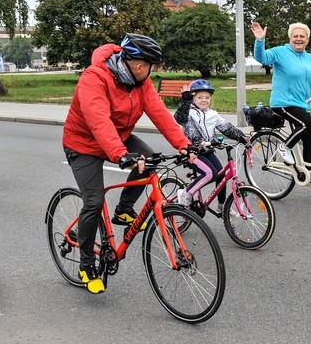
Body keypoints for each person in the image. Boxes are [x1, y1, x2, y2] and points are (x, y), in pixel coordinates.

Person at [62, 33, 195, 295]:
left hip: (118, 138)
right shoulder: (94, 78)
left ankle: (123, 210)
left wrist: (183, 144)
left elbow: (160, 113)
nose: (152, 71)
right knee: (93, 201)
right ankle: (86, 265)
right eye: (152, 66)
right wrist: (120, 154)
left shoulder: (140, 82)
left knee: (150, 160)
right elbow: (98, 120)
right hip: (83, 145)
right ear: (139, 66)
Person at [251, 21, 311, 191]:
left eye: (302, 36)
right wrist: (260, 40)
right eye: (295, 36)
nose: (298, 39)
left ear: (307, 39)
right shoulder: (280, 52)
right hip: (283, 103)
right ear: (290, 38)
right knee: (308, 124)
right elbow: (261, 57)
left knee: (310, 139)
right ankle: (284, 147)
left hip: (302, 105)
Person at [173, 79, 248, 210]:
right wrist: (185, 101)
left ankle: (223, 206)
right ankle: (186, 193)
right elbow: (180, 118)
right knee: (210, 173)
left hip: (206, 150)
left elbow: (226, 127)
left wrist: (242, 137)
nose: (204, 100)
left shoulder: (213, 114)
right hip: (191, 152)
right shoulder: (189, 113)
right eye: (200, 97)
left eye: (207, 97)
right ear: (193, 98)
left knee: (221, 174)